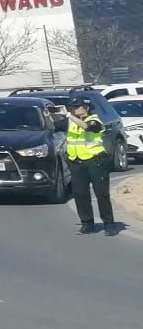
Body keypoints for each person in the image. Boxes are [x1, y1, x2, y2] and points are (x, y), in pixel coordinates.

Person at [63, 96, 116, 233]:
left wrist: (69, 115)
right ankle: (87, 223)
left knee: (101, 194)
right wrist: (48, 115)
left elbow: (87, 127)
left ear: (86, 107)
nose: (74, 109)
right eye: (72, 107)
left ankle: (109, 224)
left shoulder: (95, 120)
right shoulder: (71, 122)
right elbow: (52, 126)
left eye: (77, 106)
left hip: (95, 161)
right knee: (80, 193)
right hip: (77, 162)